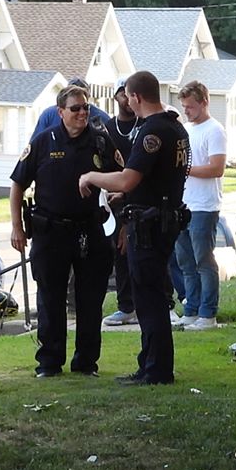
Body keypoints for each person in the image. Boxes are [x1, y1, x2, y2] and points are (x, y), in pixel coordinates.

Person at [79, 69, 189, 386]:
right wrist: (127, 192)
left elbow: (129, 176)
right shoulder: (174, 126)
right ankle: (150, 364)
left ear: (136, 97)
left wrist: (91, 177)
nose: (126, 100)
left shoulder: (152, 131)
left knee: (148, 297)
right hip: (164, 216)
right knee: (150, 294)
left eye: (127, 95)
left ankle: (156, 370)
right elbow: (155, 178)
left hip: (150, 224)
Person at [10, 81, 121, 377]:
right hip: (50, 230)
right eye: (75, 108)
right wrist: (17, 227)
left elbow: (124, 178)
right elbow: (17, 184)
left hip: (89, 230)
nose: (82, 113)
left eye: (85, 107)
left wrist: (118, 203)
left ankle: (86, 363)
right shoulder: (44, 142)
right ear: (60, 112)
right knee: (50, 297)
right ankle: (49, 362)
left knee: (90, 299)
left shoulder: (100, 141)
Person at [171, 81, 228, 331]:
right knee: (185, 261)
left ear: (204, 102)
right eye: (184, 107)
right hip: (183, 203)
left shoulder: (214, 131)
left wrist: (185, 169)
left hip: (204, 206)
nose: (187, 111)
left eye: (191, 107)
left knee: (204, 260)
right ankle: (191, 309)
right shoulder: (185, 129)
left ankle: (208, 313)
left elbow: (217, 167)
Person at [100, 83, 142, 330]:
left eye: (131, 93)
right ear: (115, 96)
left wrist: (125, 191)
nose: (127, 98)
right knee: (120, 253)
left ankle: (159, 303)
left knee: (144, 254)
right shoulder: (107, 129)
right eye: (122, 93)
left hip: (139, 198)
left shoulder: (144, 127)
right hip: (114, 201)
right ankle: (126, 306)